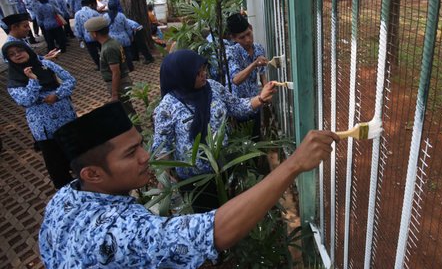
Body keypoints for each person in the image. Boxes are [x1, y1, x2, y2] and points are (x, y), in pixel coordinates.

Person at [39, 100, 337, 267]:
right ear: (92, 174)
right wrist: (294, 164)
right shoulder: (120, 233)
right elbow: (212, 231)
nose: (146, 157)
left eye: (141, 145)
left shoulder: (63, 200)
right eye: (131, 153)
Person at [152, 50, 277, 212]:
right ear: (182, 76)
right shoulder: (167, 106)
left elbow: (237, 107)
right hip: (195, 180)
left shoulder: (213, 87)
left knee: (231, 213)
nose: (204, 74)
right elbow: (163, 145)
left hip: (224, 167)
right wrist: (163, 176)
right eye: (197, 73)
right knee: (209, 222)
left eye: (204, 69)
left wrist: (260, 98)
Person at [2, 41, 77, 189]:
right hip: (44, 127)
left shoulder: (46, 65)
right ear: (8, 59)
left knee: (76, 151)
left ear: (27, 50)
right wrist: (32, 80)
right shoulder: (13, 82)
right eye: (11, 54)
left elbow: (70, 80)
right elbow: (26, 100)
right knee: (55, 160)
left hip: (66, 117)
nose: (17, 55)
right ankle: (67, 191)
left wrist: (58, 94)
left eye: (19, 50)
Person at [226, 13, 268, 140]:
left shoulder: (259, 49)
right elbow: (236, 80)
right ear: (233, 38)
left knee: (256, 138)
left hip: (255, 102)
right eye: (242, 37)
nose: (247, 40)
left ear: (251, 27)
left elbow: (262, 75)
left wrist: (267, 91)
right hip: (238, 107)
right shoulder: (232, 53)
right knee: (243, 142)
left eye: (248, 34)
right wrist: (254, 64)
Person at [83, 16, 137, 117]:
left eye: (89, 32)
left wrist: (114, 94)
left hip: (119, 83)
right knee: (126, 110)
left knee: (127, 112)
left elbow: (116, 72)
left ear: (94, 34)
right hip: (120, 82)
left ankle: (137, 131)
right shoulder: (110, 43)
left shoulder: (108, 48)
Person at [103, 0, 134, 71]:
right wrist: (130, 36)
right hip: (124, 38)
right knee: (127, 54)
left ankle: (120, 69)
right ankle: (130, 67)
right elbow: (127, 27)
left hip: (112, 39)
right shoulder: (121, 16)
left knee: (116, 55)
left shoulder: (105, 17)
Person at [74, 0, 101, 69]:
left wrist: (79, 38)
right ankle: (106, 63)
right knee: (102, 49)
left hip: (87, 37)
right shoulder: (94, 12)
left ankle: (99, 65)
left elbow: (77, 27)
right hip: (98, 35)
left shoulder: (77, 14)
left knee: (93, 52)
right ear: (90, 4)